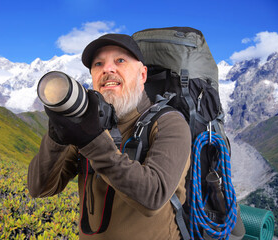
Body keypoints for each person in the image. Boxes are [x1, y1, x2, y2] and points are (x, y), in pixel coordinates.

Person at [27, 33, 191, 239]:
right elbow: (39, 188)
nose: (107, 69)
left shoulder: (169, 122)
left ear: (142, 75)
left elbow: (153, 198)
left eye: (120, 60)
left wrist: (92, 141)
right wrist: (56, 137)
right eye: (98, 64)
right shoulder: (86, 124)